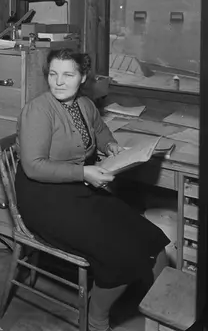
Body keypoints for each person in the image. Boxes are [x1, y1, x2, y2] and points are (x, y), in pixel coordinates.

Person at [15, 48, 169, 331]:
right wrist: (84, 172)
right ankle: (96, 320)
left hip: (78, 189)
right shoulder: (38, 110)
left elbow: (99, 131)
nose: (58, 81)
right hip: (43, 198)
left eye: (68, 74)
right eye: (53, 74)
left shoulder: (85, 104)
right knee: (119, 253)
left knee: (151, 238)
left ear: (83, 77)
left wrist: (110, 146)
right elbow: (34, 167)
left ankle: (160, 313)